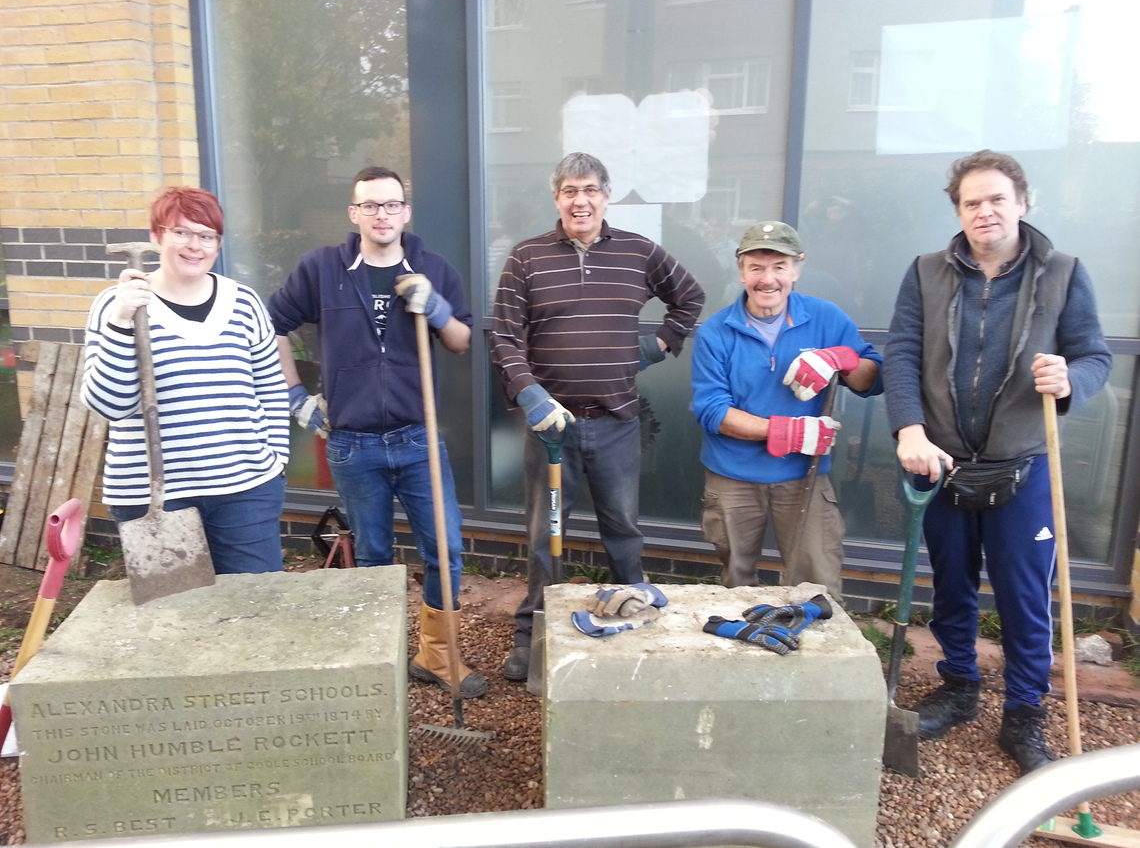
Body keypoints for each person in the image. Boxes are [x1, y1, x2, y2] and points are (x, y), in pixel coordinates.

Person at [883, 150, 1112, 775]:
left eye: (996, 199)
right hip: (939, 463)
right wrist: (908, 429)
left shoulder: (1062, 272)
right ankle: (958, 687)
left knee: (1023, 597)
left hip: (1025, 464)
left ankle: (1024, 716)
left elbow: (1094, 356)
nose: (984, 211)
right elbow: (901, 352)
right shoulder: (927, 272)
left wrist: (1070, 380)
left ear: (1022, 202)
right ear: (958, 211)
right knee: (951, 586)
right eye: (971, 202)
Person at [267, 166, 486, 698]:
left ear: (406, 212)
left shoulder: (431, 267)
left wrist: (435, 308)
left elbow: (460, 341)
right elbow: (271, 325)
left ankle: (437, 654)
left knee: (447, 548)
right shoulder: (322, 268)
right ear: (354, 213)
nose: (381, 214)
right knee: (372, 554)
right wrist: (296, 397)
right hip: (351, 442)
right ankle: (376, 657)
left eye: (391, 205)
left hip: (417, 437)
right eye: (370, 206)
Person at [490, 152, 705, 682]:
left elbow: (690, 297)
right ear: (556, 198)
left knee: (623, 531)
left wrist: (656, 347)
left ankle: (633, 622)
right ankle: (534, 635)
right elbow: (503, 335)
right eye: (569, 191)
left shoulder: (636, 252)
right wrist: (529, 393)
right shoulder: (527, 258)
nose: (579, 200)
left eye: (589, 190)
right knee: (544, 538)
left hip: (615, 423)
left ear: (606, 195)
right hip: (550, 432)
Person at [82, 187, 290, 574]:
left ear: (218, 244)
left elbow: (271, 388)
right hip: (153, 498)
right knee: (175, 621)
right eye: (181, 232)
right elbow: (109, 405)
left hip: (243, 489)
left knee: (254, 610)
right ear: (156, 236)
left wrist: (275, 458)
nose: (194, 245)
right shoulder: (118, 305)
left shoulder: (244, 303)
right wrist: (122, 321)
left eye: (206, 235)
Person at [690, 221, 881, 601]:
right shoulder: (715, 333)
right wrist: (786, 433)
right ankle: (746, 649)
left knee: (816, 583)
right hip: (733, 479)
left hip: (803, 477)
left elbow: (871, 379)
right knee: (737, 586)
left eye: (779, 266)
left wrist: (840, 359)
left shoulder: (826, 318)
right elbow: (711, 410)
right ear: (741, 269)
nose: (768, 279)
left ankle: (815, 654)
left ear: (797, 268)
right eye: (757, 267)